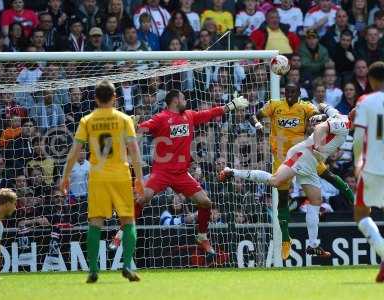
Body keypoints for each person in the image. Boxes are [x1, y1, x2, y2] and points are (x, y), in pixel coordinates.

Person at [222, 83, 354, 259]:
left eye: (293, 92)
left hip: (308, 156)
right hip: (299, 154)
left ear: (299, 94)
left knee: (316, 199)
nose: (290, 95)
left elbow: (323, 110)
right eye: (287, 92)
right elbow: (321, 126)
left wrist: (320, 113)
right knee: (278, 185)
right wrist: (259, 126)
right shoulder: (276, 105)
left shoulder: (309, 108)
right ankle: (233, 172)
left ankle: (313, 245)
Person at [122, 89, 249, 257]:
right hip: (162, 172)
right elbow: (142, 129)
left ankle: (202, 236)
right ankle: (121, 232)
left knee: (205, 202)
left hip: (181, 173)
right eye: (183, 98)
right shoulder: (161, 118)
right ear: (175, 101)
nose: (186, 100)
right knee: (141, 198)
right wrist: (134, 126)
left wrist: (231, 106)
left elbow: (210, 113)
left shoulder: (189, 115)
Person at [60, 79, 144, 283]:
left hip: (97, 176)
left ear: (96, 99)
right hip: (121, 175)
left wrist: (65, 177)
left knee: (95, 222)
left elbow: (74, 152)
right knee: (128, 221)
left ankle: (93, 270)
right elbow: (134, 150)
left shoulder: (87, 120)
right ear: (115, 97)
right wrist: (139, 178)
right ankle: (126, 266)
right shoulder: (124, 119)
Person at [352, 61, 384, 282]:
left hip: (372, 166)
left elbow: (357, 137)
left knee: (361, 214)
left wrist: (357, 161)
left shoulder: (366, 101)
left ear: (371, 80)